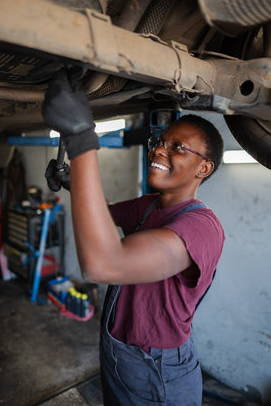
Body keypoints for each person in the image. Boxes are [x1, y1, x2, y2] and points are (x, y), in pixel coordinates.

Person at [42, 70, 225, 406]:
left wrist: (82, 138)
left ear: (203, 169)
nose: (158, 151)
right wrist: (72, 182)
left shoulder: (202, 227)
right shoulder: (150, 205)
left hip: (157, 370)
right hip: (119, 352)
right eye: (160, 143)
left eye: (177, 147)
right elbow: (105, 211)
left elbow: (105, 265)